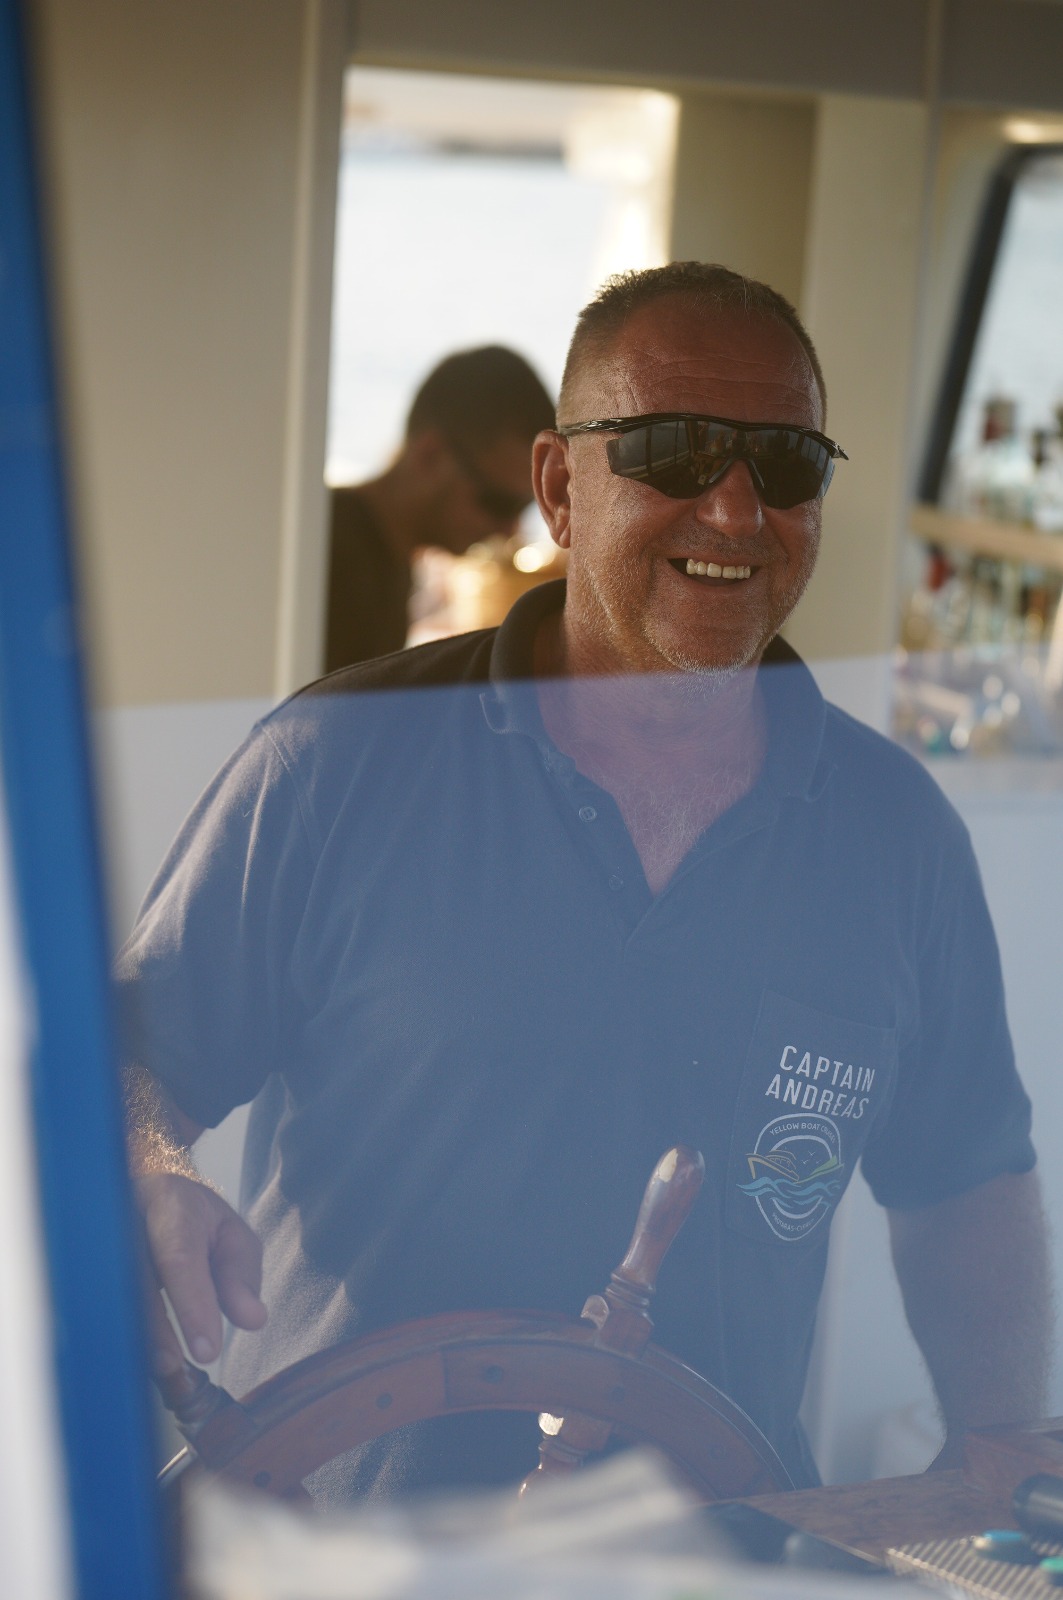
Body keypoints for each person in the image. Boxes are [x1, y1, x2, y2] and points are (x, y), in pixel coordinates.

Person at [122, 262, 1050, 1504]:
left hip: (714, 1560)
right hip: (340, 1551)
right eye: (675, 451)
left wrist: (997, 1459)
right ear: (561, 487)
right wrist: (155, 1167)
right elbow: (130, 1058)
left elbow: (966, 1180)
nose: (735, 508)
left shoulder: (898, 837)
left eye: (784, 465)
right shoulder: (332, 765)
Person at [325, 345, 555, 669]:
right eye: (498, 503)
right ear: (430, 455)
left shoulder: (383, 555)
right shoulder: (331, 555)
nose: (509, 531)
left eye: (525, 506)